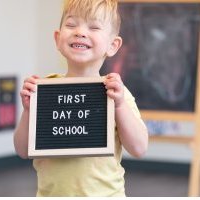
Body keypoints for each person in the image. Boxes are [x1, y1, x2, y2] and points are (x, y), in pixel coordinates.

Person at [14, 0, 148, 197]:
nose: (80, 32)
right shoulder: (42, 91)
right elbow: (23, 150)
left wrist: (119, 106)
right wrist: (27, 111)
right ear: (58, 39)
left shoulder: (115, 92)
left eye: (94, 27)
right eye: (71, 24)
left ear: (113, 45)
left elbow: (139, 148)